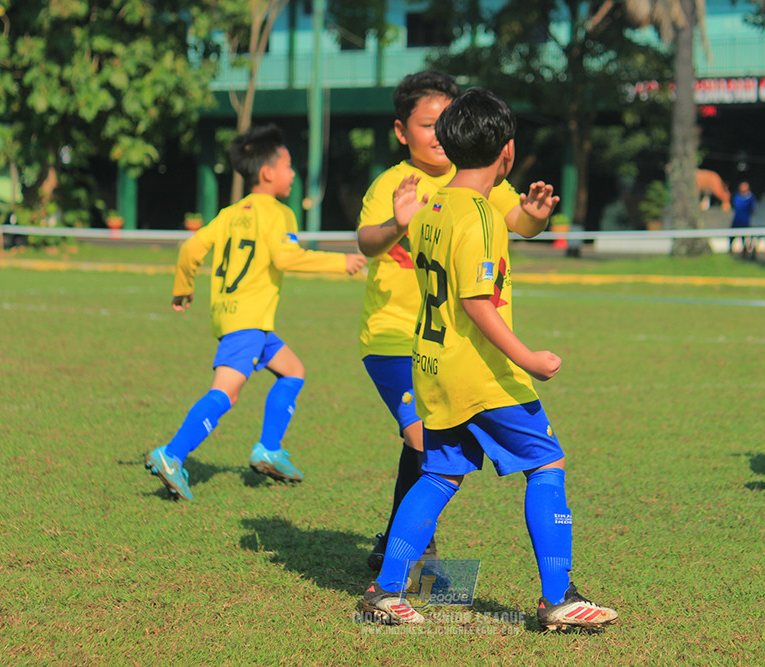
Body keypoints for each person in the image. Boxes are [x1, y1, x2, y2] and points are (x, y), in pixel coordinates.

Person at [359, 88, 617, 631]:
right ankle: (559, 598)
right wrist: (529, 358)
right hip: (481, 374)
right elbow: (477, 302)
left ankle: (385, 591)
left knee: (438, 475)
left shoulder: (431, 206)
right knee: (546, 462)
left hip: (432, 366)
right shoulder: (480, 216)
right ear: (508, 152)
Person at [356, 71, 559, 569]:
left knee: (435, 459)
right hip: (395, 336)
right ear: (402, 131)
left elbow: (521, 223)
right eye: (427, 124)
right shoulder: (398, 184)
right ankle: (411, 559)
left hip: (446, 341)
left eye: (443, 122)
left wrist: (535, 215)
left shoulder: (472, 182)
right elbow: (367, 242)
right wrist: (396, 223)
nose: (436, 134)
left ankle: (396, 556)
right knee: (424, 443)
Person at [145, 124, 366, 500]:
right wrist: (339, 261)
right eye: (288, 167)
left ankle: (269, 450)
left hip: (237, 318)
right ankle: (172, 454)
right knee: (225, 393)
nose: (293, 174)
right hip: (247, 322)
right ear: (267, 172)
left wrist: (184, 287)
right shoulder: (279, 213)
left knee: (293, 370)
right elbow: (286, 257)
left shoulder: (230, 213)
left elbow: (191, 249)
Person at [730, 181, 757, 258]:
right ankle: (730, 251)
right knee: (732, 236)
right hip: (736, 221)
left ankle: (745, 252)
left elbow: (753, 209)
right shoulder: (737, 197)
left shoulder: (751, 198)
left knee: (745, 238)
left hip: (745, 221)